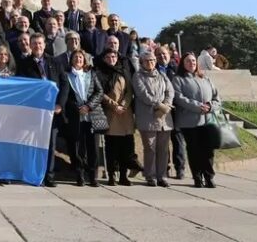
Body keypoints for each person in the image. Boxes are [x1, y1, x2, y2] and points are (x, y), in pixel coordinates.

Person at [16, 33, 61, 187]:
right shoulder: (24, 64)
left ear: (44, 44)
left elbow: (64, 84)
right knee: (32, 143)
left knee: (51, 144)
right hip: (34, 111)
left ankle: (49, 175)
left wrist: (59, 104)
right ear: (30, 45)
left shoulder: (54, 62)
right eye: (34, 43)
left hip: (52, 111)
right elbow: (22, 87)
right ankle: (32, 173)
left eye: (40, 43)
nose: (37, 46)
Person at [173, 53, 220, 188]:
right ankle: (197, 178)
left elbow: (217, 98)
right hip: (189, 122)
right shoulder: (178, 79)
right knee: (194, 151)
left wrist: (210, 106)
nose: (191, 63)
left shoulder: (205, 78)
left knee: (208, 151)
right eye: (188, 61)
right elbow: (179, 98)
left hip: (207, 121)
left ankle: (209, 177)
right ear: (183, 63)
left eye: (193, 61)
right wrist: (198, 106)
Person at [57, 50, 104, 187]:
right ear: (71, 60)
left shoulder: (91, 74)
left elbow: (99, 91)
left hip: (90, 116)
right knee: (77, 147)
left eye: (81, 57)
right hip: (74, 116)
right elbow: (65, 94)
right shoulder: (66, 75)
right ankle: (80, 174)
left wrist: (89, 106)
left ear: (84, 60)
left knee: (92, 147)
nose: (78, 59)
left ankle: (93, 176)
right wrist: (75, 107)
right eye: (76, 57)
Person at [133, 51, 175, 187]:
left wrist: (167, 104)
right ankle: (150, 176)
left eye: (152, 60)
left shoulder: (162, 75)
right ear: (141, 62)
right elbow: (143, 94)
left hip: (164, 117)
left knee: (163, 149)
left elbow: (170, 91)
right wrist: (159, 105)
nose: (150, 62)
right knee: (150, 148)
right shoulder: (138, 76)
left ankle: (162, 176)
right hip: (148, 117)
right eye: (146, 60)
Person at [95, 48, 134, 186]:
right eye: (108, 57)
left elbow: (129, 91)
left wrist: (123, 104)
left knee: (125, 148)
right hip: (110, 114)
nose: (111, 59)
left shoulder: (124, 72)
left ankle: (123, 176)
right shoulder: (99, 73)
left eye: (114, 56)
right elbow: (100, 93)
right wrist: (114, 105)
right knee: (112, 148)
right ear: (104, 58)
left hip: (125, 113)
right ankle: (111, 175)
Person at [156, 46, 184, 180]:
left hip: (176, 109)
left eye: (164, 54)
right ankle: (164, 168)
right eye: (159, 54)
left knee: (178, 140)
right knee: (163, 142)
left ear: (170, 54)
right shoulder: (153, 69)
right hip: (160, 109)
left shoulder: (177, 69)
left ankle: (180, 168)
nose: (162, 56)